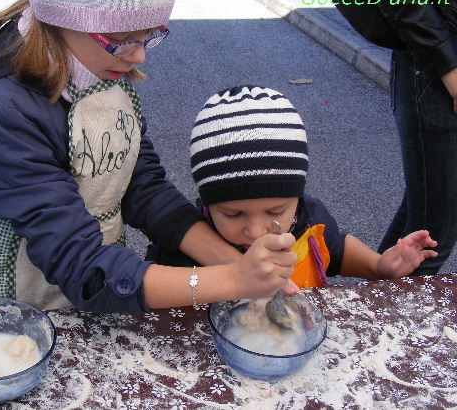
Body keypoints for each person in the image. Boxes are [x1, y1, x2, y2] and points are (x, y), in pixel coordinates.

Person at [0, 0, 297, 313]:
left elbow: (142, 188)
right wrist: (232, 281)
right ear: (62, 19)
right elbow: (79, 265)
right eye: (118, 39)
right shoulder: (5, 111)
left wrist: (238, 265)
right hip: (12, 298)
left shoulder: (100, 74)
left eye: (150, 35)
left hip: (102, 280)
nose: (139, 55)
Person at [147, 85, 438, 287]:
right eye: (233, 214)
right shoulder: (187, 246)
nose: (257, 231)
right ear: (209, 204)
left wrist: (379, 266)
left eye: (275, 211)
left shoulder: (309, 221)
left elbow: (337, 252)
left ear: (296, 199)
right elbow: (154, 291)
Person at [368, 0, 457, 276]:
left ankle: (369, 300)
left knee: (424, 215)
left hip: (438, 61)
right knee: (430, 238)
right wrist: (450, 69)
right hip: (437, 66)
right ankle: (377, 304)